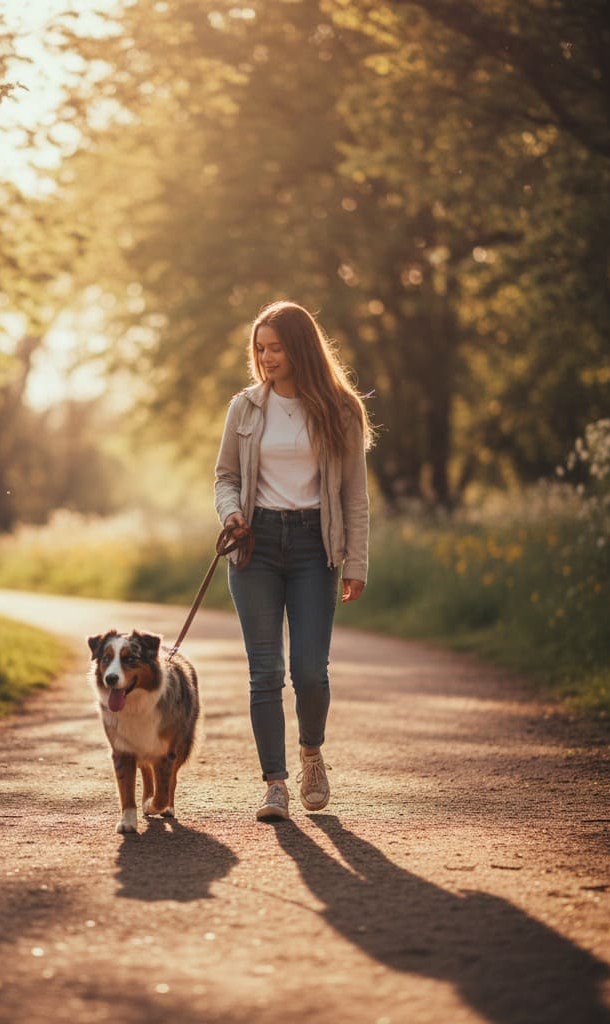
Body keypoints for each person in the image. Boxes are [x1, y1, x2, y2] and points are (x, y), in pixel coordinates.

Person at [214, 300, 373, 822]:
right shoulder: (244, 408)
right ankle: (275, 784)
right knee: (265, 671)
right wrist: (232, 512)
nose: (266, 358)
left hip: (313, 546)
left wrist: (356, 563)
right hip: (255, 544)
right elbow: (226, 477)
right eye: (260, 349)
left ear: (301, 347)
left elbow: (354, 495)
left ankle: (311, 754)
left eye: (277, 348)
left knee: (308, 670)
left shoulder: (341, 409)